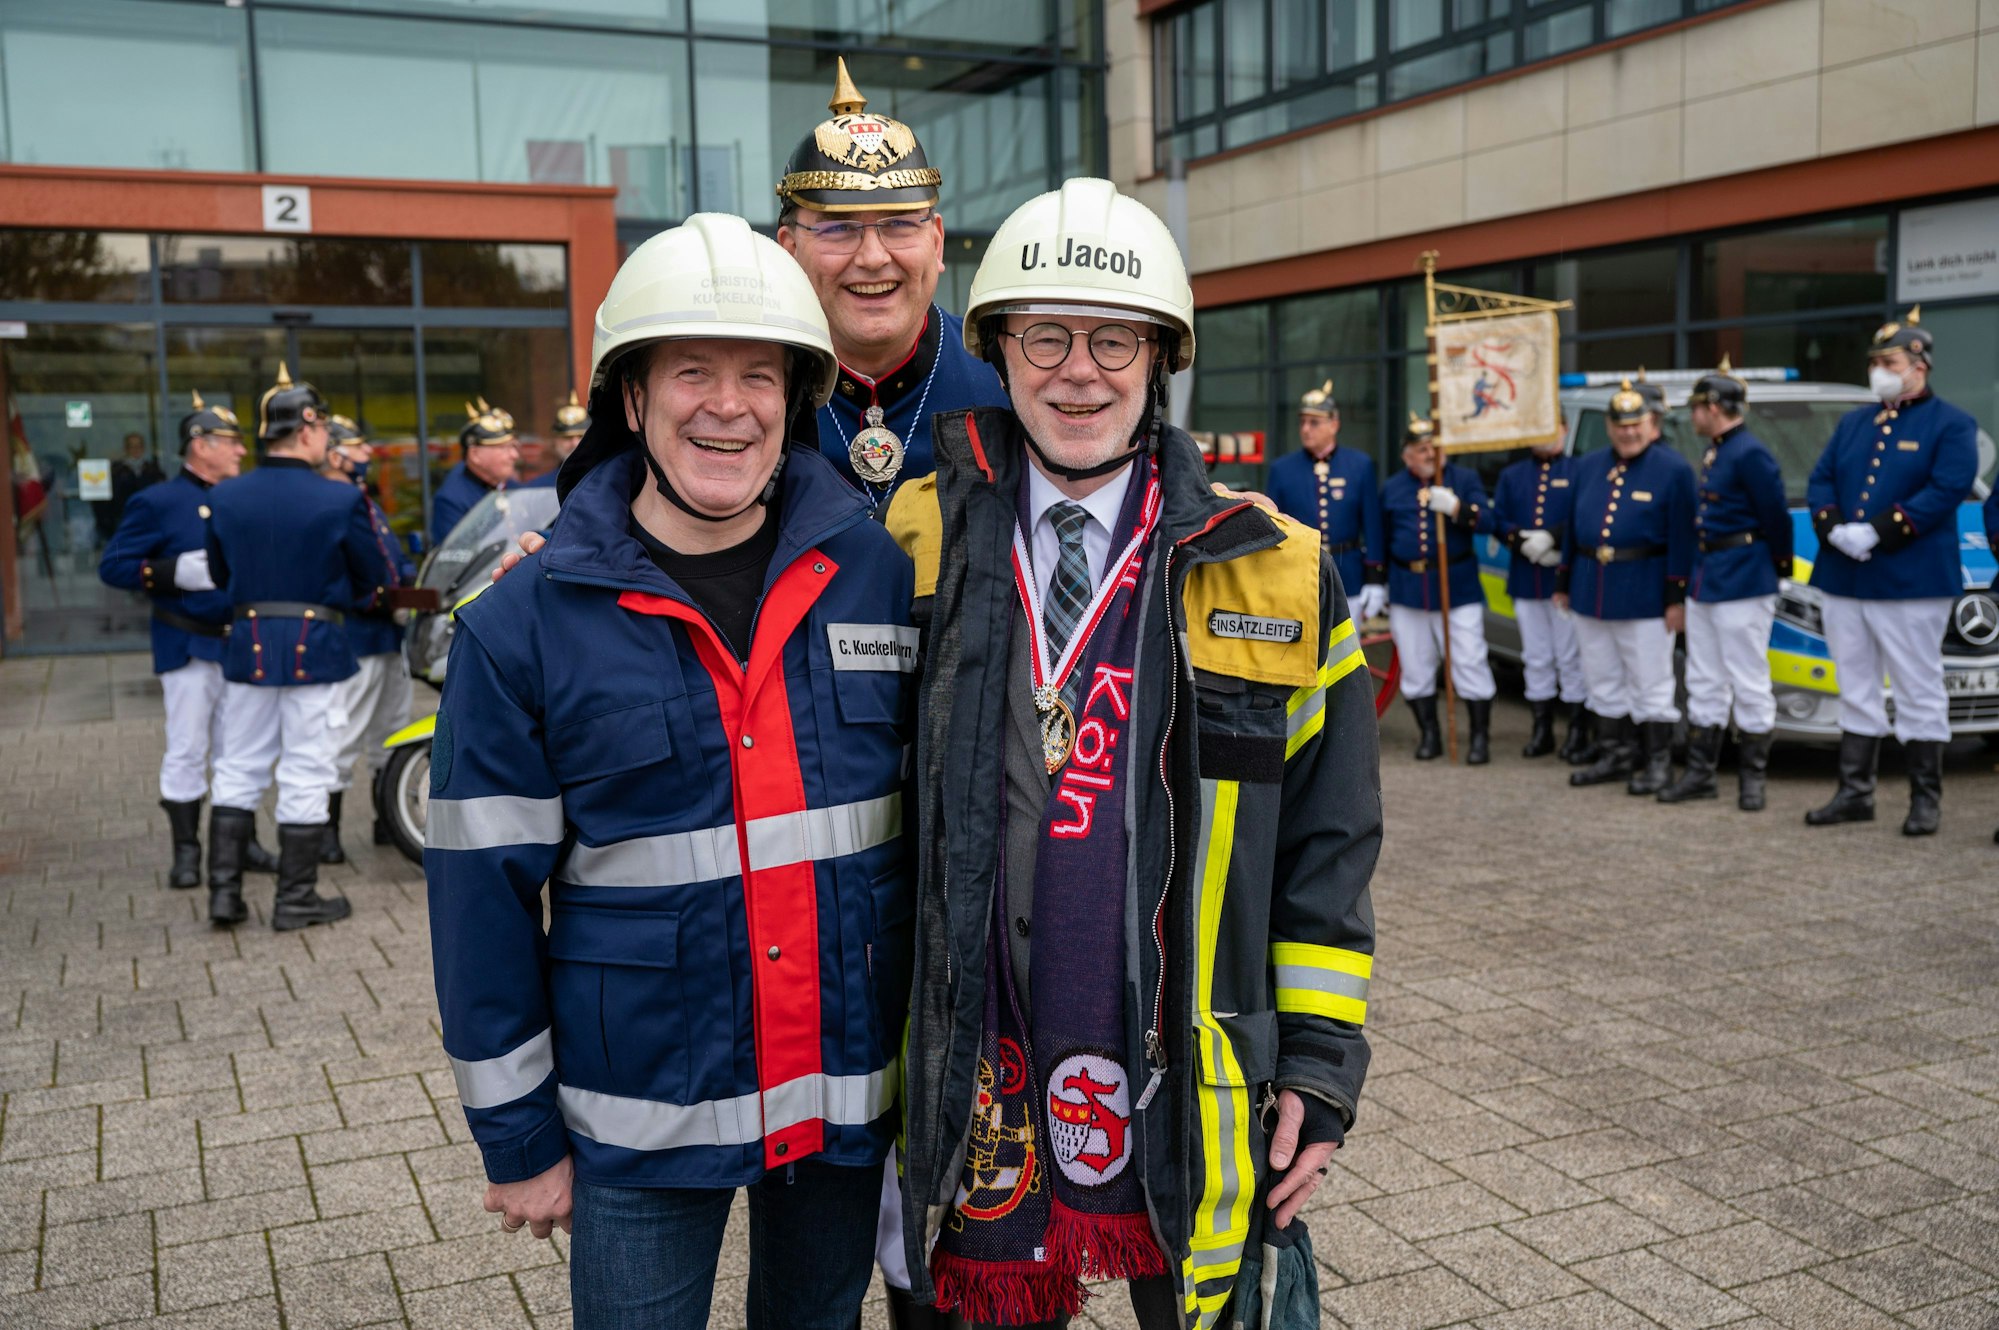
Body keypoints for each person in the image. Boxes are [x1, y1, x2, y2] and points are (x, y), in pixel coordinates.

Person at [885, 178, 1379, 1330]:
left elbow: (1330, 846)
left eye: (1113, 339)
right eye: (1045, 334)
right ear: (997, 349)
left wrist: (1317, 1070)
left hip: (1193, 1083)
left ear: (1161, 357)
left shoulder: (1280, 571)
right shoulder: (907, 538)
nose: (1078, 371)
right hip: (975, 1075)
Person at [427, 214, 914, 1330]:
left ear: (796, 400)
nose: (727, 405)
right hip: (641, 1122)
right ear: (632, 400)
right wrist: (518, 1139)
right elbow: (477, 905)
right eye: (690, 370)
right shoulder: (522, 626)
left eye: (758, 375)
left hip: (844, 1103)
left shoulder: (872, 572)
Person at [204, 365, 395, 930]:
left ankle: (224, 895)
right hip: (318, 643)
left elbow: (219, 574)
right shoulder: (339, 500)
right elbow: (376, 574)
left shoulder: (227, 495)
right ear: (310, 430)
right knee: (307, 768)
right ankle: (295, 899)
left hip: (249, 642)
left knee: (237, 767)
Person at [776, 57, 1008, 506]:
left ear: (936, 242)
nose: (873, 257)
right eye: (838, 228)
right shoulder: (756, 390)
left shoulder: (1005, 377)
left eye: (899, 224)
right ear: (789, 251)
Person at [1803, 309, 1978, 836]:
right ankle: (1856, 792)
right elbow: (1821, 479)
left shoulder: (1952, 423)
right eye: (1875, 361)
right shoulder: (1855, 422)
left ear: (1918, 366)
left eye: (1889, 361)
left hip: (1910, 578)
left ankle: (1925, 799)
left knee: (1916, 686)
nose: (1879, 369)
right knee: (1854, 683)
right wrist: (1833, 528)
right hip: (1845, 578)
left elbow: (1947, 489)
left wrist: (1880, 530)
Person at [98, 393, 276, 888]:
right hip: (188, 645)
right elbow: (113, 566)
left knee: (238, 750)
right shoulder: (157, 501)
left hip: (237, 641)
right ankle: (186, 852)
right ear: (199, 445)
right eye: (230, 442)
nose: (241, 452)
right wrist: (170, 571)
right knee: (187, 747)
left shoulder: (241, 498)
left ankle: (243, 845)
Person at [1657, 359, 1791, 810]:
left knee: (1749, 678)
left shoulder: (1749, 452)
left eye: (1696, 407)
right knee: (1704, 677)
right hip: (1709, 578)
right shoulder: (1717, 449)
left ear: (1713, 407)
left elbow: (1774, 514)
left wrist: (1779, 567)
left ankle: (1752, 780)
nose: (1691, 416)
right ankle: (1701, 773)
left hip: (1744, 576)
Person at [1558, 379, 1696, 795]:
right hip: (1590, 589)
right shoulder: (1589, 464)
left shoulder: (1673, 470)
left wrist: (1676, 598)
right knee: (1601, 677)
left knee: (1651, 682)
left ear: (1652, 424)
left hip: (1645, 593)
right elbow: (1571, 532)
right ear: (1609, 426)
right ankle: (1614, 755)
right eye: (1620, 425)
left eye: (1637, 424)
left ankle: (1656, 763)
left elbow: (1683, 540)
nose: (1628, 432)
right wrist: (1564, 582)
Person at [319, 415, 416, 861]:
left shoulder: (359, 498)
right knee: (343, 734)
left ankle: (385, 822)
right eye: (356, 448)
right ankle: (324, 835)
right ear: (334, 454)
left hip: (386, 632)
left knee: (389, 731)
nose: (365, 456)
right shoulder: (331, 500)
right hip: (357, 633)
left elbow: (386, 559)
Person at [1379, 414, 1497, 764]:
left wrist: (1458, 508)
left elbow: (1488, 521)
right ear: (1407, 455)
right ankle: (1429, 734)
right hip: (1408, 588)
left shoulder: (1464, 478)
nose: (1430, 453)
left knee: (1468, 660)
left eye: (1434, 446)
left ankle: (1479, 738)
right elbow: (1382, 537)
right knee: (1416, 665)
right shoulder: (1394, 488)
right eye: (1421, 448)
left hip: (1456, 588)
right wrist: (1381, 582)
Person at [1491, 424, 1589, 760]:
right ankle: (1542, 729)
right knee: (1536, 657)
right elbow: (1498, 518)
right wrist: (1521, 541)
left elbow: (1582, 515)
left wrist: (1553, 539)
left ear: (1564, 429)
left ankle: (1577, 732)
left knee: (1570, 656)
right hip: (1525, 576)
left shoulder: (1579, 469)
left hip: (1565, 580)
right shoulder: (1513, 474)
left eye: (1550, 428)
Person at [1265, 377, 1386, 622]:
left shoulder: (1359, 465)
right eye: (1302, 422)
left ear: (1334, 424)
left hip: (1348, 575)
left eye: (1314, 422)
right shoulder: (1281, 469)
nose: (1305, 429)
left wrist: (1375, 579)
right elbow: (1271, 527)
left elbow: (1372, 525)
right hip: (1297, 576)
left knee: (1346, 655)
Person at [432, 398, 520, 540]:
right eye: (504, 448)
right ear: (475, 454)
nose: (514, 455)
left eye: (514, 445)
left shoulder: (511, 485)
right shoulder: (452, 500)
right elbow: (457, 557)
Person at [95, 431, 165, 541]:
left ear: (143, 448)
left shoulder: (153, 470)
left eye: (138, 446)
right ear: (126, 449)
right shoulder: (116, 471)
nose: (135, 450)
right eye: (131, 446)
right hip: (123, 518)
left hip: (148, 518)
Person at [523, 391, 590, 488]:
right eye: (567, 438)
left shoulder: (605, 480)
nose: (575, 443)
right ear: (555, 440)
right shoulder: (539, 486)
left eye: (581, 437)